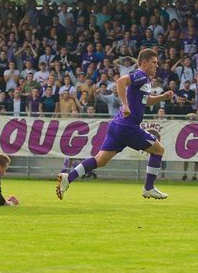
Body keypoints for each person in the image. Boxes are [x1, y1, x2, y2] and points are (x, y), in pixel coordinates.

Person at [56, 49, 173, 200]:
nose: (157, 65)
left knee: (100, 160)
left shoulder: (145, 81)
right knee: (158, 150)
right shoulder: (141, 75)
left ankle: (68, 177)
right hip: (128, 126)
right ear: (144, 63)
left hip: (117, 126)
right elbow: (120, 82)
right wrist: (125, 105)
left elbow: (146, 100)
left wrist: (162, 97)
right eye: (154, 62)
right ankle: (148, 188)